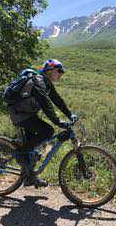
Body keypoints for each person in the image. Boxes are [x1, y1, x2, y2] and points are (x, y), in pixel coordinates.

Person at [9, 59, 77, 187]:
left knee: (32, 149)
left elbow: (57, 100)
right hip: (20, 115)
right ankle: (19, 153)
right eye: (59, 71)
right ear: (50, 70)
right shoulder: (38, 81)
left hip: (27, 114)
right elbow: (46, 104)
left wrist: (69, 114)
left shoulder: (46, 83)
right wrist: (58, 122)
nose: (61, 74)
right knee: (48, 131)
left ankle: (29, 177)